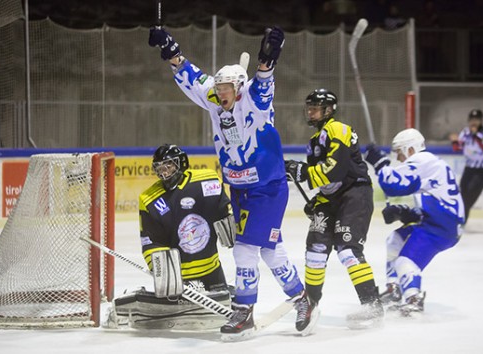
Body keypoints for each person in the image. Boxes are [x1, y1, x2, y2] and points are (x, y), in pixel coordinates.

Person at [148, 27, 308, 340]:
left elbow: (264, 83)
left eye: (225, 88)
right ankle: (304, 299)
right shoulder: (215, 99)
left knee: (245, 250)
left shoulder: (254, 102)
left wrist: (268, 59)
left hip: (267, 188)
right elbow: (192, 78)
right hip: (238, 188)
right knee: (270, 251)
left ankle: (244, 310)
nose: (220, 93)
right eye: (218, 88)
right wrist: (171, 51)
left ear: (237, 87)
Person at [284, 89, 383, 330]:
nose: (310, 111)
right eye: (309, 107)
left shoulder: (338, 129)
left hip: (354, 195)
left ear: (329, 110)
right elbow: (326, 181)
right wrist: (317, 200)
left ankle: (372, 304)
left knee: (347, 250)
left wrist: (303, 172)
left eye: (315, 107)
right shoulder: (314, 142)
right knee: (315, 249)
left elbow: (335, 170)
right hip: (331, 199)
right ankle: (311, 302)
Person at [107, 144, 235, 330]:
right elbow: (152, 241)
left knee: (228, 311)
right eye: (159, 168)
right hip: (180, 278)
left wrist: (231, 228)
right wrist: (165, 274)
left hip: (212, 269)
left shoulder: (206, 180)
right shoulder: (150, 200)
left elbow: (223, 212)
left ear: (181, 163)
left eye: (168, 166)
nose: (164, 172)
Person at [365, 128, 465, 316]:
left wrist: (379, 163)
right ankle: (394, 289)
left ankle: (413, 298)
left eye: (401, 153)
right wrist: (406, 213)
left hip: (441, 226)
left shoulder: (421, 160)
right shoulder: (432, 163)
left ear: (410, 149)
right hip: (442, 221)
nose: (401, 159)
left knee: (406, 261)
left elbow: (393, 185)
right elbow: (435, 199)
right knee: (395, 240)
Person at [449, 109, 483, 222]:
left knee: (470, 195)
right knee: (462, 194)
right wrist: (454, 141)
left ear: (481, 121)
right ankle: (459, 220)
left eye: (476, 120)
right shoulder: (465, 132)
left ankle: (461, 220)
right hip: (469, 168)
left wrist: (476, 134)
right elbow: (458, 148)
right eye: (472, 120)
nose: (474, 122)